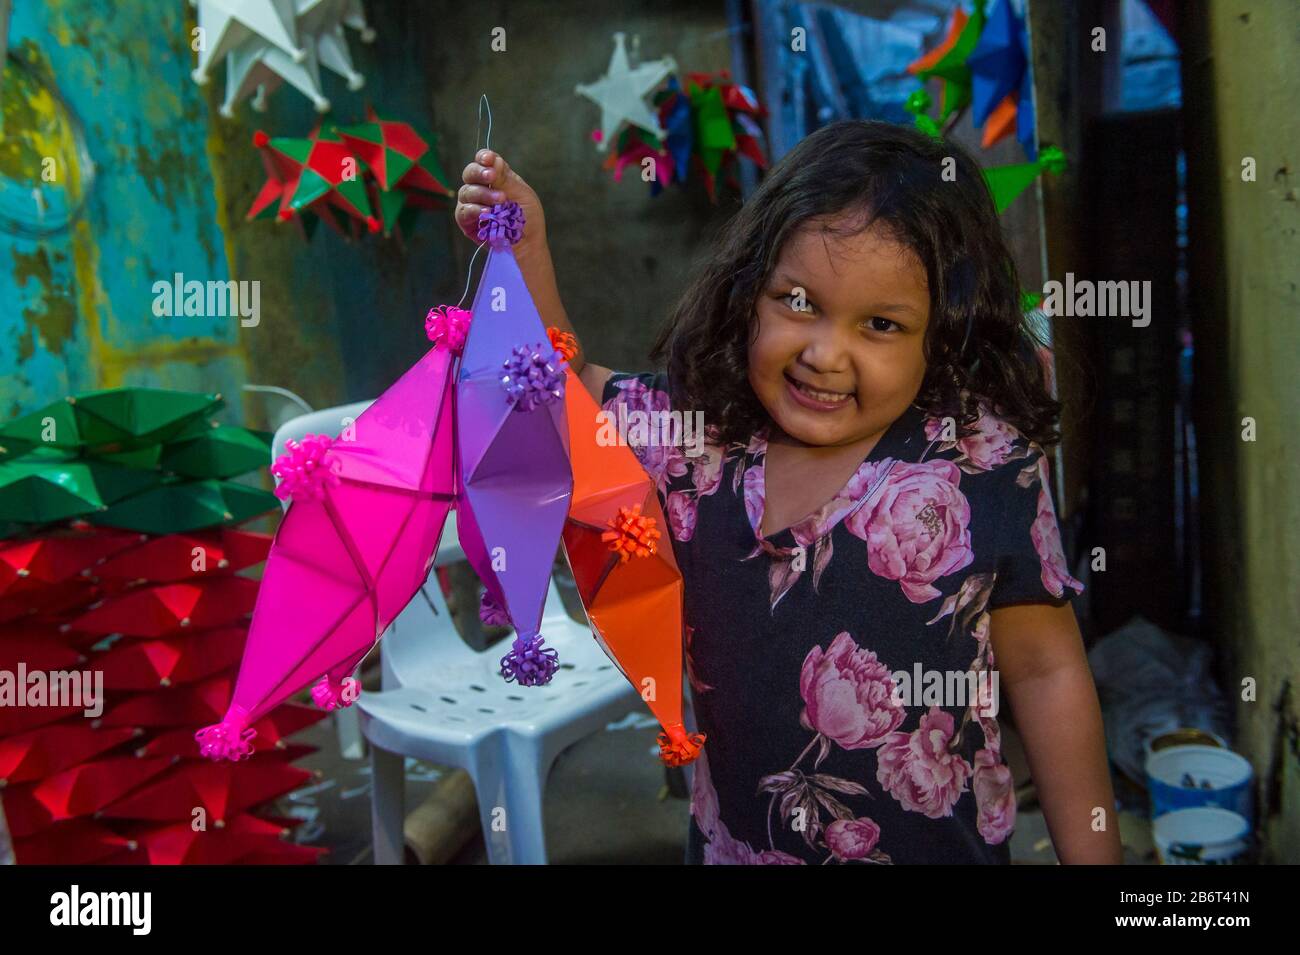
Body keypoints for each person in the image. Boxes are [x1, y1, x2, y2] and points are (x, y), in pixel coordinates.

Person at [453, 120, 1121, 865]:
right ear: (750, 291)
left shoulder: (978, 465)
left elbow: (1046, 670)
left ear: (943, 334)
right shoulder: (697, 443)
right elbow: (562, 388)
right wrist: (523, 248)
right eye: (798, 301)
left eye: (880, 324)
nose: (824, 353)